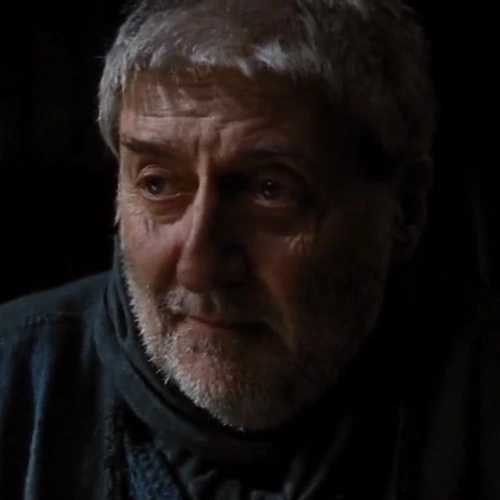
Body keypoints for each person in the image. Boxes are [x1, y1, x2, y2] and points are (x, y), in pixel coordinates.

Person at [0, 0, 498, 498]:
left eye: (270, 191)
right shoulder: (15, 377)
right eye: (157, 184)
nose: (198, 268)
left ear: (405, 209)